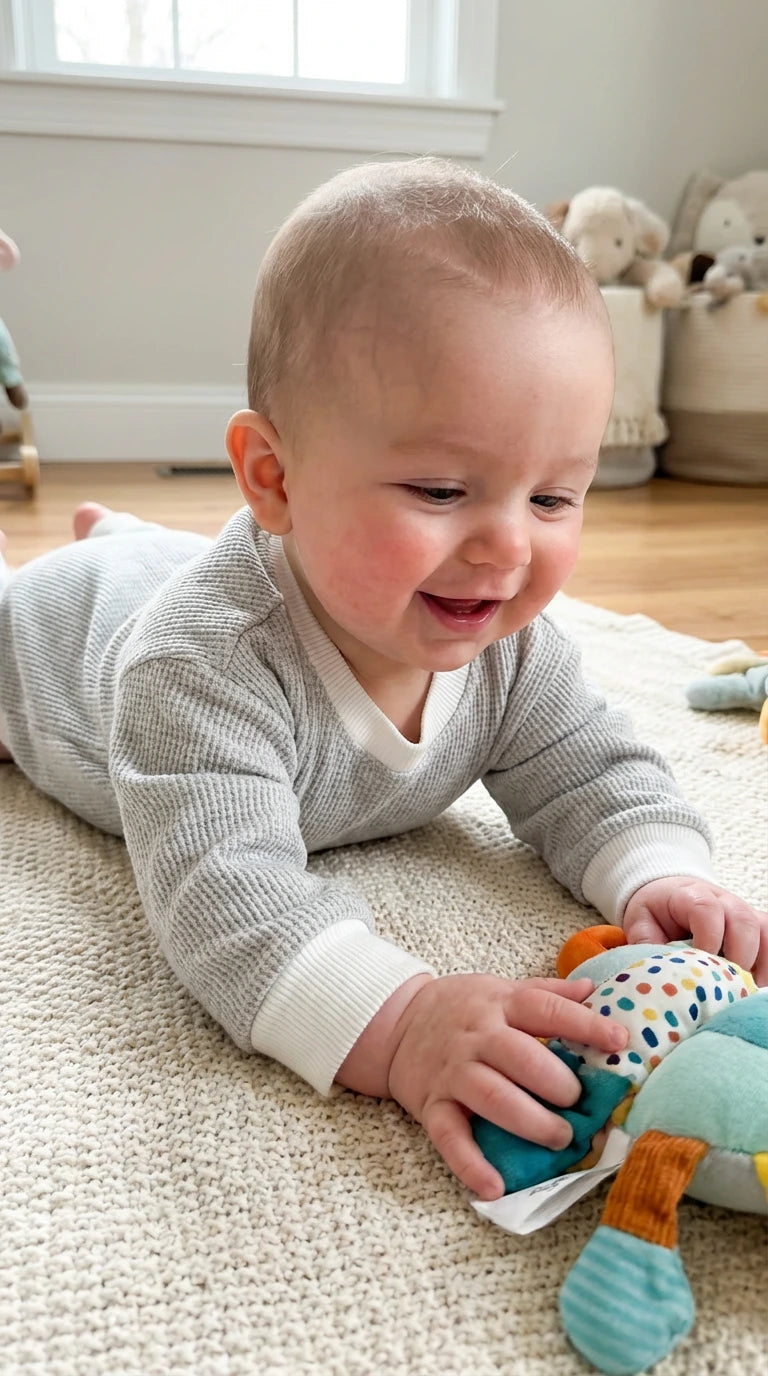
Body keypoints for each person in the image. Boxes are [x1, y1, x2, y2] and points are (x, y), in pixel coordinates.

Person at [0, 159, 765, 1202]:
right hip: (56, 642)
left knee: (169, 558)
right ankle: (100, 550)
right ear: (273, 475)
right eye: (444, 488)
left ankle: (134, 537)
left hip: (210, 566)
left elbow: (589, 762)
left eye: (553, 496)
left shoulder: (510, 644)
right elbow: (223, 896)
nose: (505, 548)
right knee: (88, 591)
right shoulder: (198, 667)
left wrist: (657, 868)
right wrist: (403, 1018)